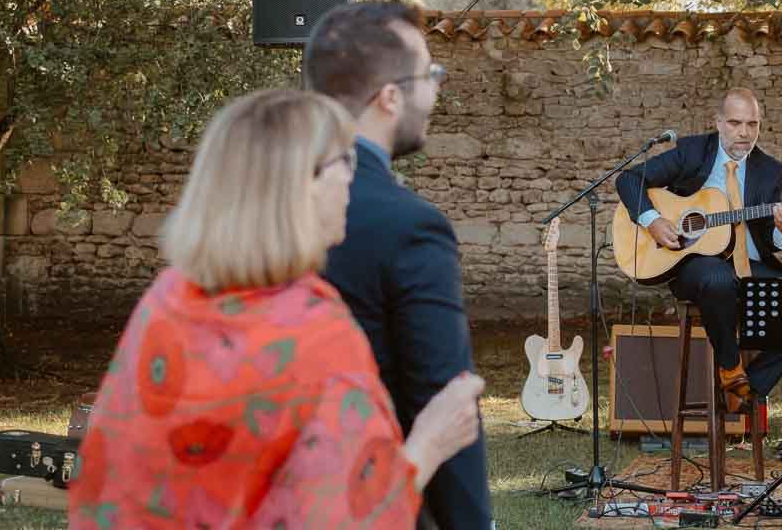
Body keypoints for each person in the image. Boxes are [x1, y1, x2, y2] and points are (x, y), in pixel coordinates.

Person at [68, 90, 483, 528]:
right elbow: (343, 519)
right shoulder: (315, 335)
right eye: (345, 162)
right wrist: (429, 444)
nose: (351, 179)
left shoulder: (167, 299)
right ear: (300, 185)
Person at [304, 0, 491, 530]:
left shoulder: (252, 199)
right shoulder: (409, 224)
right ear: (389, 97)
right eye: (429, 74)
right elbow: (445, 398)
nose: (435, 91)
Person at [615, 87, 782, 411]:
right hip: (692, 263)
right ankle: (730, 368)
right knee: (717, 279)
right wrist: (654, 221)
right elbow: (629, 180)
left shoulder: (770, 171)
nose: (744, 133)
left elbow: (769, 239)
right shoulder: (692, 152)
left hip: (747, 263)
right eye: (735, 123)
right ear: (718, 122)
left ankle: (745, 389)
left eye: (752, 124)